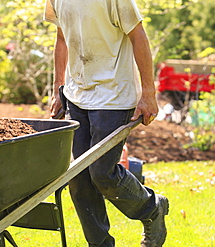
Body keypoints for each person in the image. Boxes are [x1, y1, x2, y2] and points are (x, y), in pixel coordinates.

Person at [44, 0, 169, 246]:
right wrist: (59, 88)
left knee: (102, 173)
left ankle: (151, 208)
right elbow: (61, 39)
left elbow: (139, 36)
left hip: (114, 95)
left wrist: (148, 94)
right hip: (77, 94)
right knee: (79, 177)